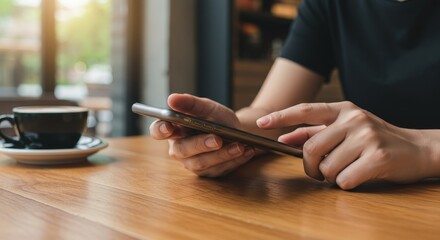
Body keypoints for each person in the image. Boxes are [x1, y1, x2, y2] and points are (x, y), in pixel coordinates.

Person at [149, 0, 440, 190]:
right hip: (369, 200)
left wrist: (424, 149)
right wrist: (231, 132)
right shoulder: (329, 5)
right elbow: (272, 111)